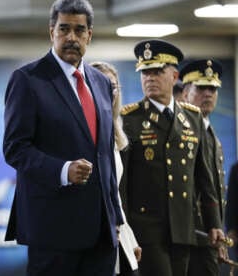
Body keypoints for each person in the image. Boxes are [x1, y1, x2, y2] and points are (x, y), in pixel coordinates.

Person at [3, 0, 123, 276]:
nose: (71, 37)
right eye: (64, 29)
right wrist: (63, 170)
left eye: (79, 30)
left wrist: (115, 216)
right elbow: (15, 148)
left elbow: (104, 153)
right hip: (53, 230)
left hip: (101, 232)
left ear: (89, 35)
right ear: (51, 32)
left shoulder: (102, 82)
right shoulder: (27, 80)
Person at [119, 39, 225, 276]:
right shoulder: (129, 119)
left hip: (182, 227)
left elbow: (203, 175)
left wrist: (214, 222)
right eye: (145, 72)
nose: (150, 78)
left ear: (174, 75)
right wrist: (124, 228)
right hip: (146, 229)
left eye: (157, 71)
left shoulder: (192, 118)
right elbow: (122, 184)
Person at [90, 61, 142, 276]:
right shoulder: (85, 130)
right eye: (103, 85)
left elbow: (115, 197)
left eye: (114, 86)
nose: (110, 92)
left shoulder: (114, 131)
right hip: (93, 238)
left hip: (118, 233)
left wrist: (130, 239)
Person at [180, 59, 225, 276]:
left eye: (213, 88)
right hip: (191, 233)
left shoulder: (210, 132)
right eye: (201, 88)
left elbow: (214, 188)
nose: (208, 93)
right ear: (186, 91)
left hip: (208, 233)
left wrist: (217, 230)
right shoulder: (183, 130)